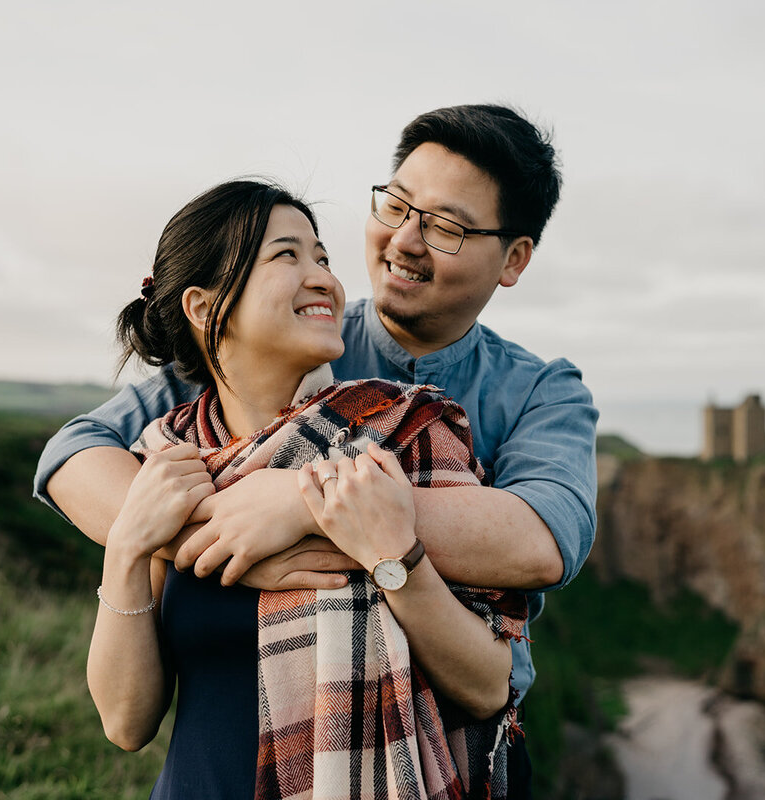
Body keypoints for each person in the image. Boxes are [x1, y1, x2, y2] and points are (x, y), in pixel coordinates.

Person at [34, 104, 599, 783]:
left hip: (449, 757)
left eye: (445, 226)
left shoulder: (535, 391)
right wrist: (212, 541)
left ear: (513, 259)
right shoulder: (260, 357)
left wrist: (299, 505)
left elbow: (539, 541)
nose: (405, 240)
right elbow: (75, 453)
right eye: (396, 206)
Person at [88, 179, 527, 798]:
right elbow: (126, 722)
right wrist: (128, 545)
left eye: (322, 257)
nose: (324, 277)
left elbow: (489, 686)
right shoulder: (167, 462)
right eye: (286, 255)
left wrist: (393, 556)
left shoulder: (402, 437)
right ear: (204, 306)